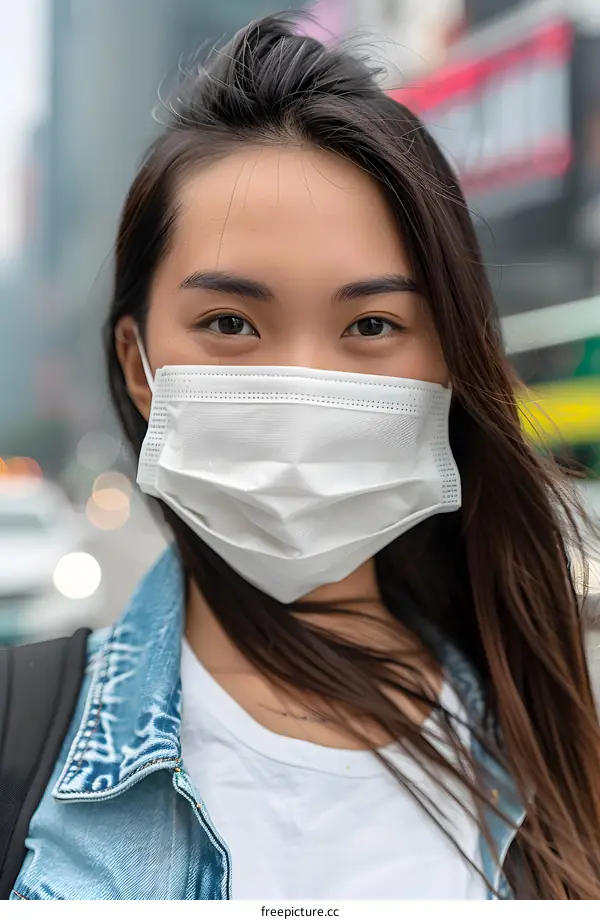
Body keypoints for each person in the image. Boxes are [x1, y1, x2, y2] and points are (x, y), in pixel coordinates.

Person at [10, 13, 600, 901]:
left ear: (449, 360)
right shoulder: (19, 734)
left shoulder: (559, 742)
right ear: (139, 365)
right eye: (230, 324)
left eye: (372, 325)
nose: (301, 383)